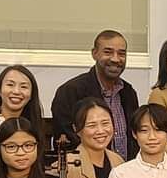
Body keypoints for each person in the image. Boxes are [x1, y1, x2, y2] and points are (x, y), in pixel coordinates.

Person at [52, 30, 139, 159]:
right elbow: (68, 139)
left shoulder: (128, 92)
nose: (115, 59)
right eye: (108, 52)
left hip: (126, 173)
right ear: (94, 54)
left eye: (121, 54)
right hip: (86, 171)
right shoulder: (71, 91)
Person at [0, 65, 46, 142]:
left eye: (24, 87)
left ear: (31, 95)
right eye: (10, 85)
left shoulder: (34, 126)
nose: (16, 91)